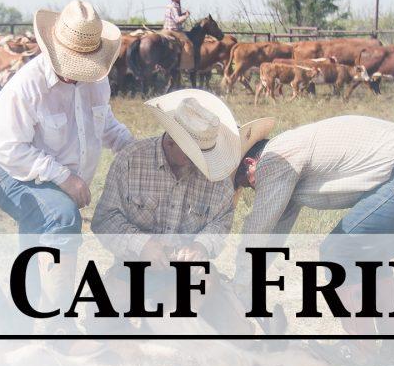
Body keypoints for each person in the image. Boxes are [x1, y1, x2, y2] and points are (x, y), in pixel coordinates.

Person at [0, 0, 134, 336]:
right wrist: (64, 178)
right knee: (62, 217)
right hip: (9, 168)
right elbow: (9, 147)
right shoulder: (26, 86)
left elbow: (106, 124)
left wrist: (136, 151)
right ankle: (59, 326)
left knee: (45, 225)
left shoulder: (97, 81)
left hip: (53, 174)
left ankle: (30, 312)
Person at [234, 115, 394, 342]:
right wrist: (251, 281)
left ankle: (361, 349)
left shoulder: (274, 157)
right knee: (371, 257)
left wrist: (238, 284)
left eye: (244, 182)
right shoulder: (289, 157)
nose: (253, 189)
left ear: (251, 163)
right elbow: (272, 237)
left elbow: (257, 228)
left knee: (337, 251)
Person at [92, 89, 273, 262]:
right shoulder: (130, 161)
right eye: (194, 155)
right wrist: (142, 245)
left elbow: (220, 223)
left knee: (207, 287)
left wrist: (201, 246)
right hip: (132, 268)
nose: (201, 163)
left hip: (187, 273)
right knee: (116, 289)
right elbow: (104, 218)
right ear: (171, 142)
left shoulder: (217, 176)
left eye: (205, 155)